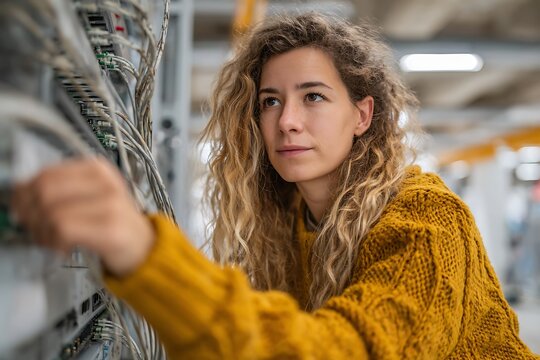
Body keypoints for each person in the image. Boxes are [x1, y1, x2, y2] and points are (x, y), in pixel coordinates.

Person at [12, 13, 538, 359]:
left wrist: (146, 252)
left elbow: (346, 350)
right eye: (270, 101)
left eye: (313, 97)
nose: (286, 121)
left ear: (362, 114)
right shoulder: (286, 222)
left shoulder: (426, 218)